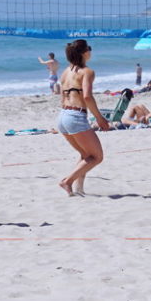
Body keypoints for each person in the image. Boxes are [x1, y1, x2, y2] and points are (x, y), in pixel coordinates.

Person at [55, 39, 110, 196]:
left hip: (62, 116)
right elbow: (87, 96)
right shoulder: (87, 72)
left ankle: (79, 189)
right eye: (89, 49)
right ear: (85, 53)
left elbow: (62, 97)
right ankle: (67, 181)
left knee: (86, 155)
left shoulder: (65, 72)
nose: (90, 51)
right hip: (75, 116)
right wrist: (99, 118)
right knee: (97, 157)